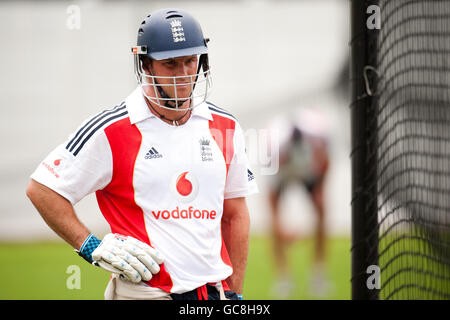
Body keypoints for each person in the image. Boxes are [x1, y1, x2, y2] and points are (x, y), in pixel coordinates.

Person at [26, 8, 258, 300]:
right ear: (146, 65)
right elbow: (42, 189)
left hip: (212, 295)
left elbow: (235, 214)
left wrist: (234, 292)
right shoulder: (111, 129)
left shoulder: (226, 126)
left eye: (190, 61)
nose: (184, 74)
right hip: (145, 294)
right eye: (171, 64)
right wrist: (89, 245)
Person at [266, 108, 330, 298]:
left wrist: (319, 190)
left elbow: (326, 163)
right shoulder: (272, 149)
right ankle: (283, 279)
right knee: (274, 225)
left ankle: (318, 275)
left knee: (321, 210)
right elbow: (272, 205)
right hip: (281, 170)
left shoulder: (320, 137)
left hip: (310, 167)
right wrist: (282, 229)